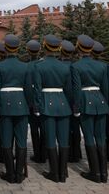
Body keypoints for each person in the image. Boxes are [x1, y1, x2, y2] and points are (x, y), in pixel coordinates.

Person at [0, 34, 32, 184]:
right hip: (21, 106)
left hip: (4, 106)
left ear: (5, 48)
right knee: (21, 141)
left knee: (7, 140)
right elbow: (28, 90)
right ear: (17, 48)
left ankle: (10, 174)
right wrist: (28, 105)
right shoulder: (25, 66)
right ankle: (19, 174)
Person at [33, 35, 73, 183]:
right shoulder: (65, 66)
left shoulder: (39, 66)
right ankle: (63, 173)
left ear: (45, 46)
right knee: (63, 140)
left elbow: (37, 88)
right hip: (63, 104)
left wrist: (37, 106)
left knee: (50, 139)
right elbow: (69, 89)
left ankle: (54, 173)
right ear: (58, 48)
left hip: (46, 103)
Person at [71, 35, 109, 183]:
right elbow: (106, 88)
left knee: (89, 137)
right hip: (100, 101)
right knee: (100, 137)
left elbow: (76, 89)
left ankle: (95, 172)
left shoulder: (76, 66)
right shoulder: (102, 66)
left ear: (79, 48)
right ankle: (104, 173)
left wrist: (76, 107)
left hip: (86, 102)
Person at [61, 40, 81, 163]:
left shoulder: (59, 66)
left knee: (66, 130)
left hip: (63, 102)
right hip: (76, 102)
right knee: (76, 128)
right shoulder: (76, 66)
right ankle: (77, 153)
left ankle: (68, 154)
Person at [26, 39, 45, 164]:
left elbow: (26, 86)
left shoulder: (26, 66)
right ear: (39, 51)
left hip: (31, 101)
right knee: (44, 128)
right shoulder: (43, 65)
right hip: (44, 99)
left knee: (34, 129)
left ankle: (37, 154)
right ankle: (45, 153)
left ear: (28, 51)